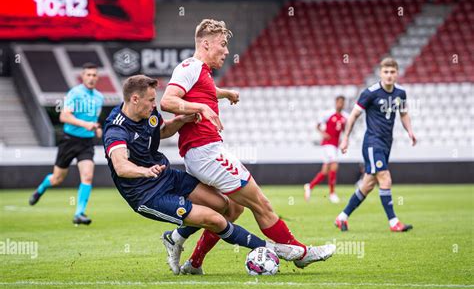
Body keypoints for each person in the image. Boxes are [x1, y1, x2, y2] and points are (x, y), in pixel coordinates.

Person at [160, 19, 335, 275]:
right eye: (222, 44)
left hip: (202, 152)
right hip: (207, 152)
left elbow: (202, 91)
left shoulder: (201, 72)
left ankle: (191, 259)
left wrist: (224, 93)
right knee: (260, 203)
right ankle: (300, 253)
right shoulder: (189, 66)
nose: (227, 51)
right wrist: (201, 108)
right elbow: (167, 101)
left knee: (232, 208)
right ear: (206, 44)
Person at [103, 74, 305, 274]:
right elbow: (121, 166)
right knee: (215, 220)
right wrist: (144, 171)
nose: (154, 104)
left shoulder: (149, 112)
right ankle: (274, 249)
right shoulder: (116, 129)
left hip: (165, 176)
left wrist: (182, 119)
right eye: (150, 100)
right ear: (134, 99)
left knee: (223, 206)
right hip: (146, 194)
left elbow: (162, 131)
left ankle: (173, 238)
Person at [335, 58, 416, 232]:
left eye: (392, 72)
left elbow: (403, 113)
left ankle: (342, 217)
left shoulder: (400, 93)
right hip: (372, 142)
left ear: (396, 74)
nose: (389, 75)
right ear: (380, 73)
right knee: (385, 177)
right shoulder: (370, 93)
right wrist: (346, 138)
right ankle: (394, 222)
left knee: (368, 184)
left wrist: (410, 131)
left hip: (387, 143)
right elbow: (353, 115)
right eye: (386, 72)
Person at [29, 62, 104, 225]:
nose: (91, 78)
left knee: (87, 176)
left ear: (97, 77)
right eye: (88, 75)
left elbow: (94, 120)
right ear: (83, 77)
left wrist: (97, 128)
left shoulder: (99, 97)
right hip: (69, 141)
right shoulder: (75, 93)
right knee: (57, 179)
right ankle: (41, 188)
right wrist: (86, 125)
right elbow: (64, 116)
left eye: (94, 75)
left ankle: (79, 213)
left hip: (86, 143)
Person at [304, 95, 348, 204]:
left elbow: (344, 132)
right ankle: (332, 193)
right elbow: (318, 125)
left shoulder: (344, 117)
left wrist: (344, 143)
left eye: (342, 103)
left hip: (335, 145)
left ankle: (310, 186)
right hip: (328, 144)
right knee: (334, 165)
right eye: (339, 102)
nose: (340, 104)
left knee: (325, 171)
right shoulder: (328, 114)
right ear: (336, 102)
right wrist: (323, 134)